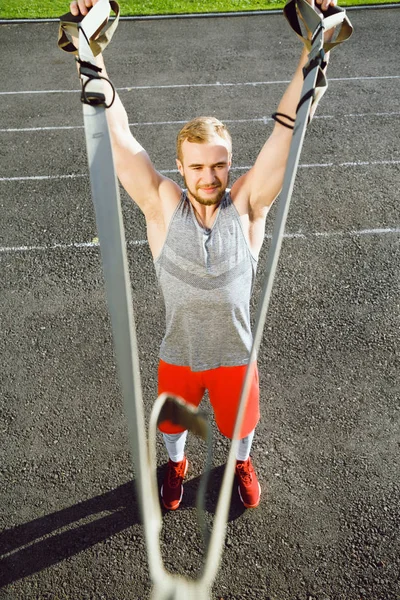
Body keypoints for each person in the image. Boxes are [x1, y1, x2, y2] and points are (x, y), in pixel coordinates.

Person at [69, 0, 337, 510]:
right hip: (182, 355)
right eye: (197, 166)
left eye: (219, 165)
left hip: (237, 357)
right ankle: (176, 465)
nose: (209, 176)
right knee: (173, 427)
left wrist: (314, 50)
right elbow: (119, 138)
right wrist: (90, 55)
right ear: (180, 166)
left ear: (230, 165)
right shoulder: (163, 208)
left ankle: (239, 461)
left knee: (243, 429)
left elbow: (288, 131)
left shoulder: (249, 206)